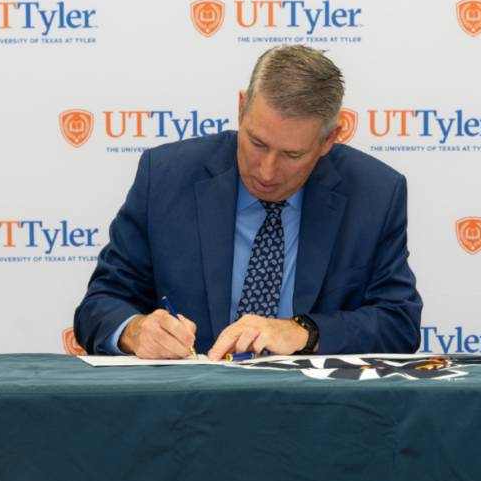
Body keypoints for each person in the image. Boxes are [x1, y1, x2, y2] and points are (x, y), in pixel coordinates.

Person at [74, 45, 422, 360]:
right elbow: (100, 304)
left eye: (292, 154)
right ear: (242, 108)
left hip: (316, 415)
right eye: (256, 143)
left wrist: (304, 331)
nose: (268, 172)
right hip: (187, 411)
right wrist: (134, 331)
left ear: (330, 138)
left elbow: (398, 323)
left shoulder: (375, 194)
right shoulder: (166, 177)